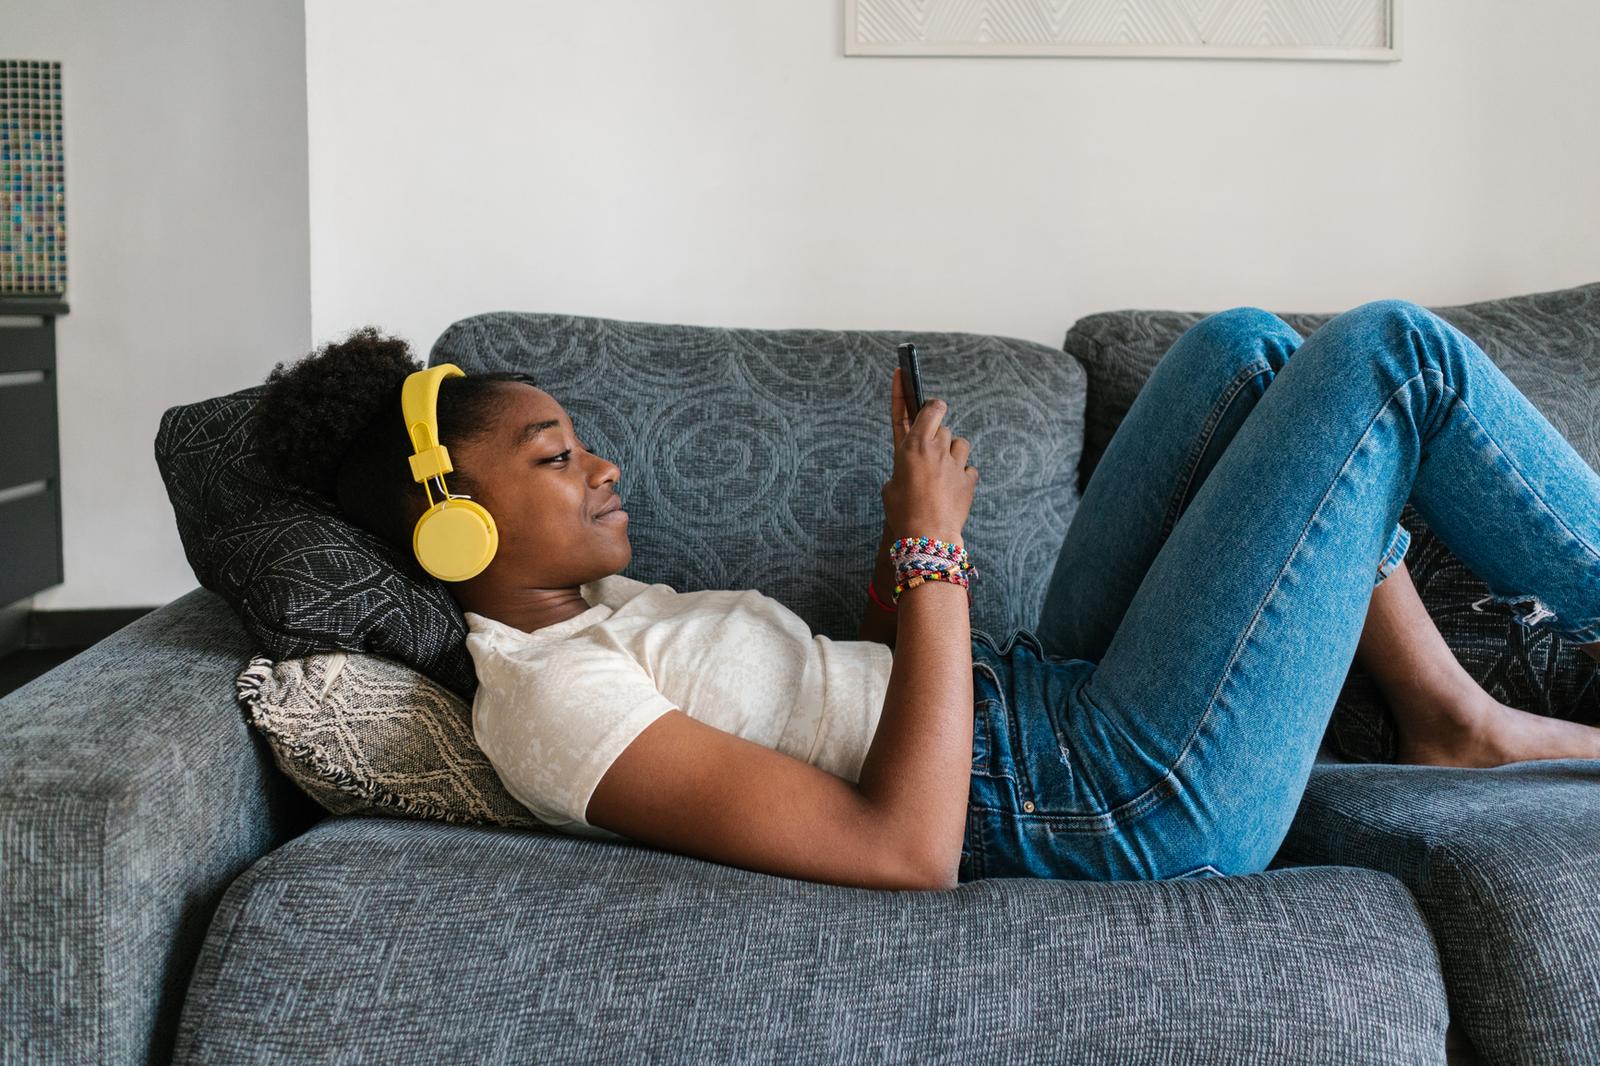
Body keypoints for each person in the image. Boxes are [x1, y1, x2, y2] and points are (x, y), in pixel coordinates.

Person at [258, 302, 1600, 891]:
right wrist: (931, 552)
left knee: (1246, 352)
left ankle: (1449, 716)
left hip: (1039, 706)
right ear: (452, 524)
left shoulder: (607, 608)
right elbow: (905, 849)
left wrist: (897, 567)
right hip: (1111, 800)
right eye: (556, 457)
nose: (604, 464)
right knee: (1393, 357)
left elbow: (853, 708)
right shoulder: (550, 704)